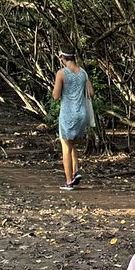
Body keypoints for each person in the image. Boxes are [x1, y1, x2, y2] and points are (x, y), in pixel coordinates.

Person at [52, 47, 93, 190]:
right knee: (72, 144)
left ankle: (68, 181)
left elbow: (55, 96)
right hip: (81, 114)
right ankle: (76, 172)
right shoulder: (83, 73)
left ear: (62, 58)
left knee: (65, 147)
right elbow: (91, 92)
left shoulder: (61, 73)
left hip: (68, 114)